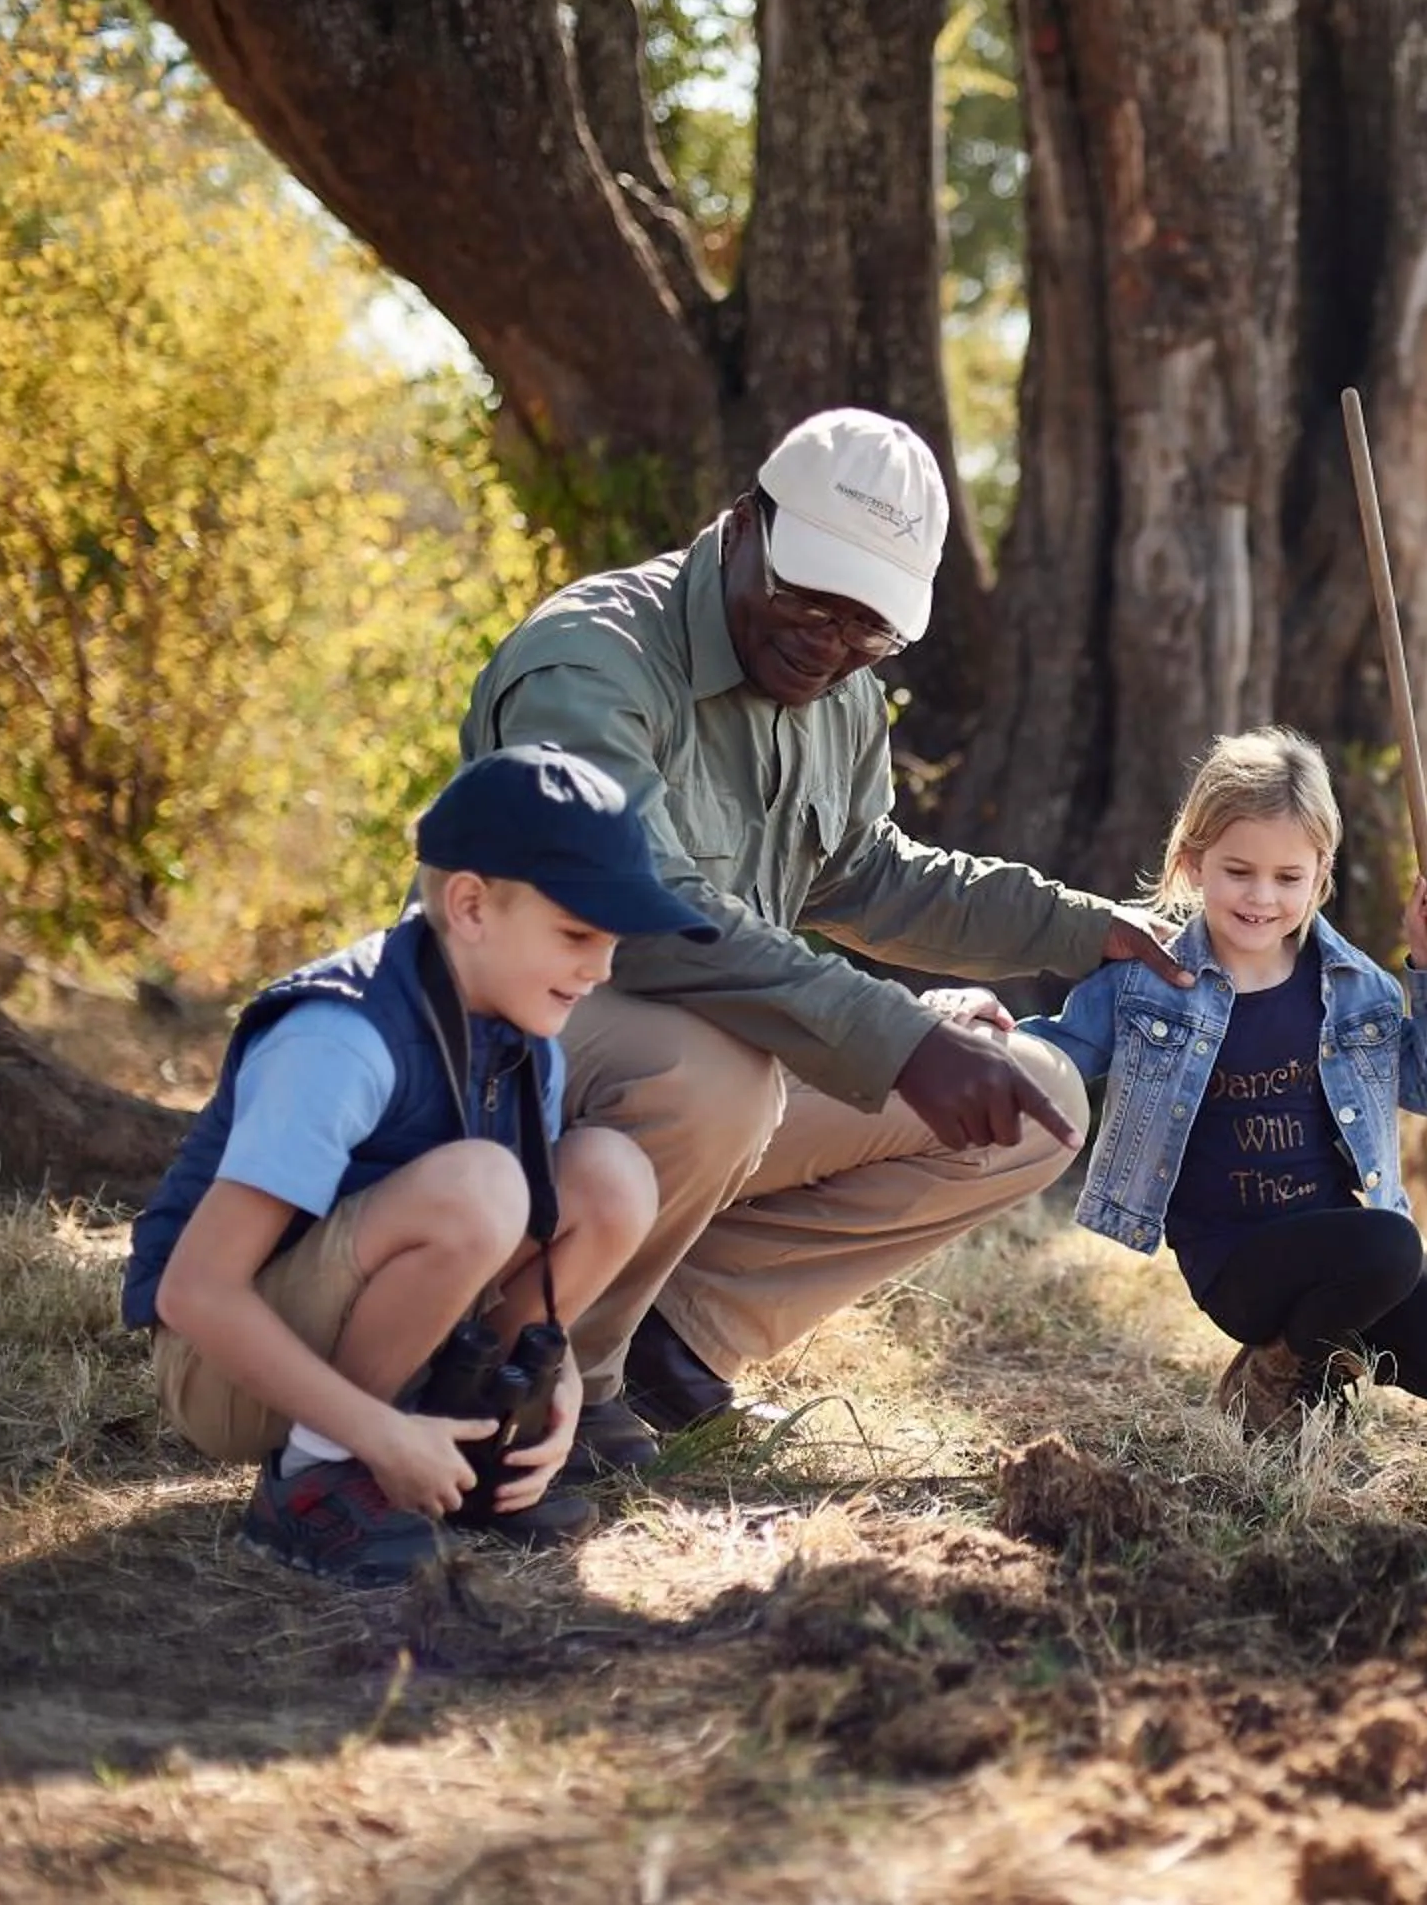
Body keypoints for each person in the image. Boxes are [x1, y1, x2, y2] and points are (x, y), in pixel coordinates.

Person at [458, 407, 1189, 1473]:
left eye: (869, 627)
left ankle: (673, 1334)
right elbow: (637, 909)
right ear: (743, 523)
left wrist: (1084, 930)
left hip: (686, 1077)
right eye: (808, 599)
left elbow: (870, 876)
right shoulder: (593, 660)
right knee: (715, 1071)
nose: (832, 642)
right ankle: (528, 1361)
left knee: (1035, 1102)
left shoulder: (839, 697)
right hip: (498, 1066)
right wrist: (892, 1034)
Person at [124, 745, 716, 1586]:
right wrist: (373, 1431)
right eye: (577, 933)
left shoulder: (525, 1041)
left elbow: (530, 1238)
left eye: (612, 940)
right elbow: (197, 1292)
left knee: (611, 1176)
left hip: (373, 1338)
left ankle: (466, 1442)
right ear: (471, 906)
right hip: (225, 1365)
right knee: (481, 1187)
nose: (603, 968)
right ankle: (320, 1475)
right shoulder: (340, 1038)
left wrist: (558, 1389)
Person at [1020, 727, 1427, 1434]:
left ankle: (1315, 1350)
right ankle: (1278, 1372)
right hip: (1237, 1263)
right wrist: (966, 1043)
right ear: (1194, 863)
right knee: (1389, 1243)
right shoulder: (1149, 982)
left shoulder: (1356, 988)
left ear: (1321, 874)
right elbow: (1058, 1049)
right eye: (1239, 871)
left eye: (1289, 878)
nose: (1262, 897)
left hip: (1345, 1254)